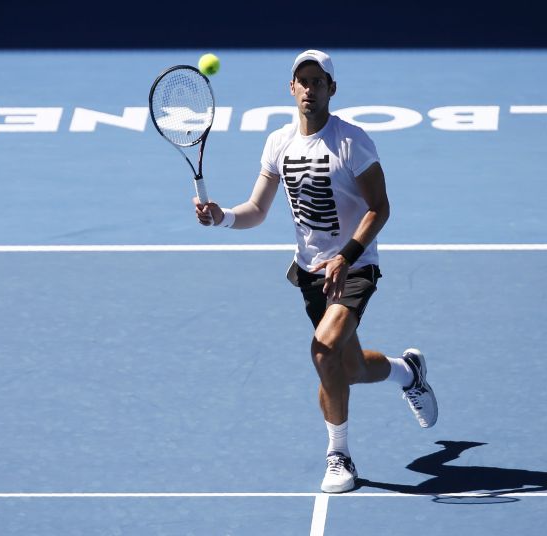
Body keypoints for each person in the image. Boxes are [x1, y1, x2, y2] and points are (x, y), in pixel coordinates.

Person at [193, 49, 438, 493]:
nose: (309, 88)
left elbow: (380, 209)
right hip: (309, 273)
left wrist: (346, 256)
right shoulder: (278, 143)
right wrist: (222, 216)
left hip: (355, 266)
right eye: (302, 81)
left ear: (332, 89)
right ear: (291, 88)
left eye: (318, 81)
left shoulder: (353, 142)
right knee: (347, 368)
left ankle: (338, 456)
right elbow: (256, 210)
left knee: (323, 351)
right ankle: (409, 372)